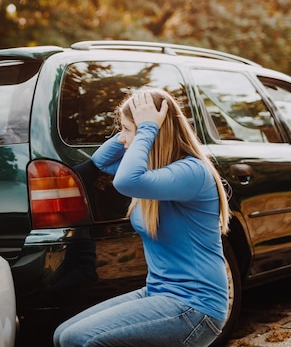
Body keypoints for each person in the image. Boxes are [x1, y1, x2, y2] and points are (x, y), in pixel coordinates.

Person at [53, 88, 231, 347]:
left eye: (126, 131)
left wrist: (146, 128)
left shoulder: (192, 172)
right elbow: (101, 162)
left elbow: (125, 180)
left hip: (196, 306)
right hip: (160, 293)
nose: (123, 139)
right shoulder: (154, 171)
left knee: (77, 339)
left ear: (155, 133)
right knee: (62, 334)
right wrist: (140, 125)